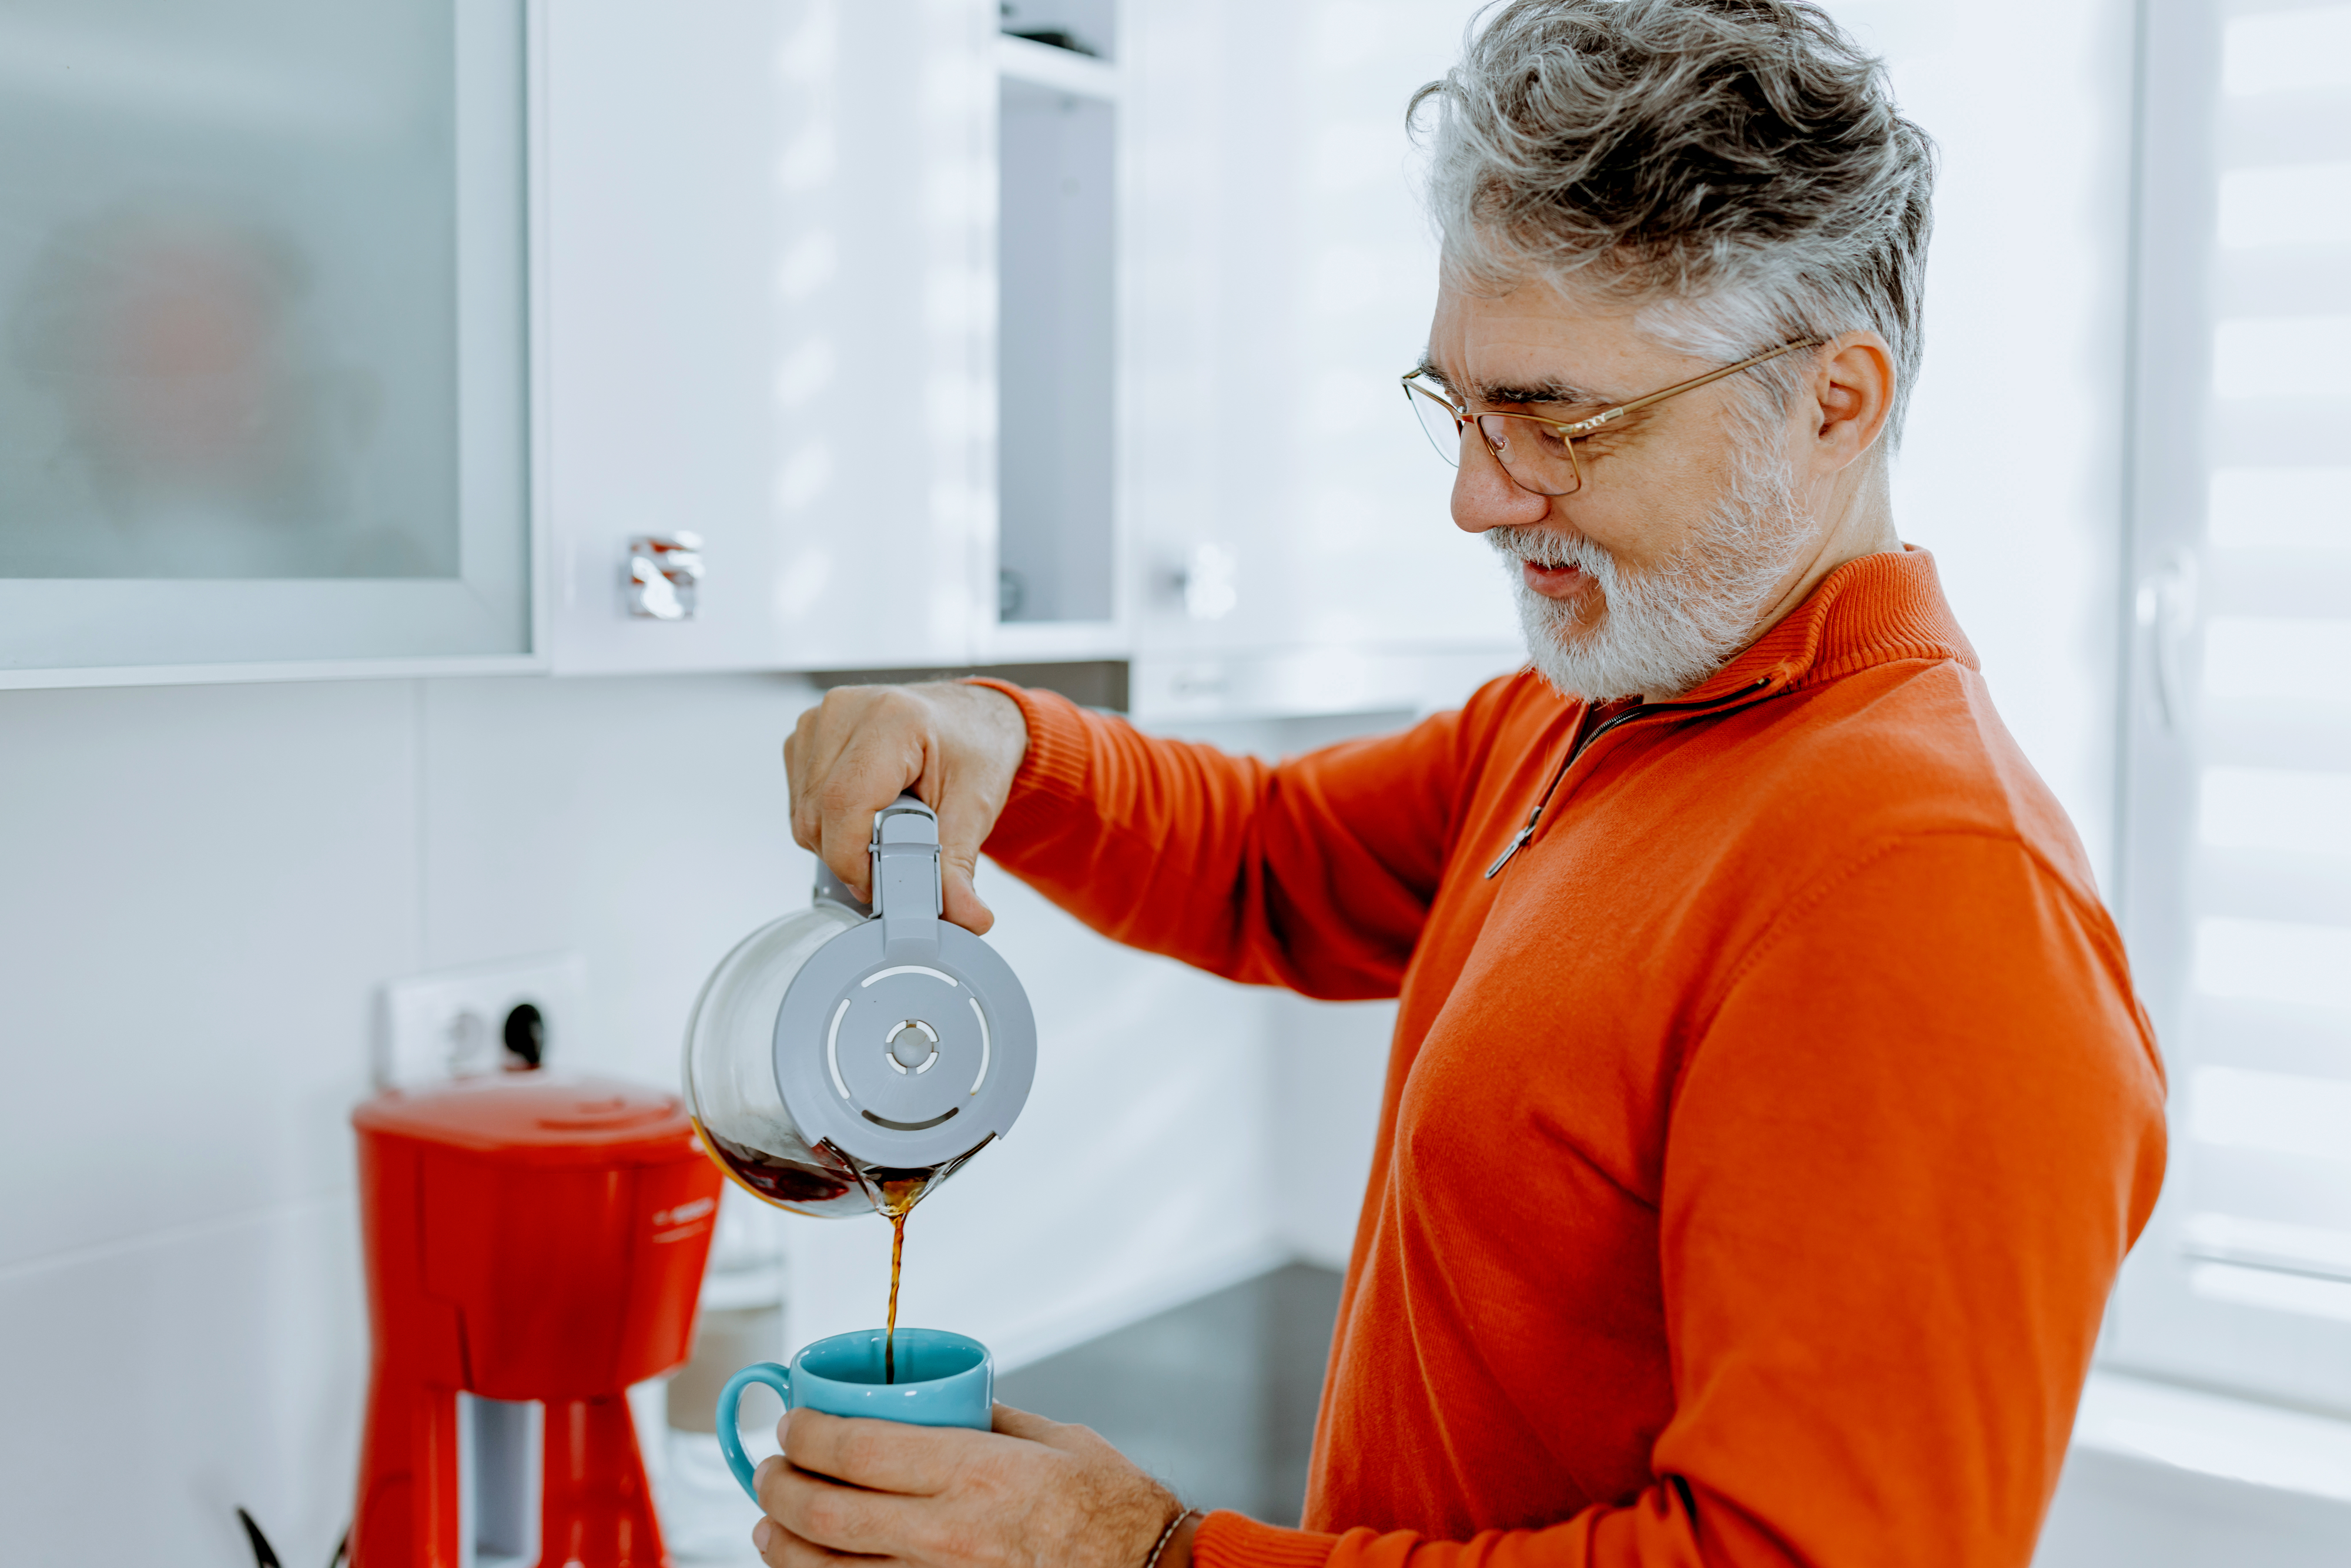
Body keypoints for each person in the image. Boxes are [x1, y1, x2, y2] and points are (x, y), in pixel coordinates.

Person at [748, 2, 2168, 1563]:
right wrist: (1002, 746)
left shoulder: (1924, 892)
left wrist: (1145, 1552)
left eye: (1562, 419)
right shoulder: (1616, 710)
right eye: (1462, 404)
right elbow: (1275, 860)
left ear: (1836, 399)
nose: (1481, 497)